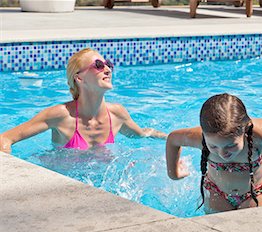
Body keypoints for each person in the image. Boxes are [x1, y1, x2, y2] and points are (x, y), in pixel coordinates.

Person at [0, 48, 166, 153]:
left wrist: (172, 138)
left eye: (108, 65)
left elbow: (142, 134)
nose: (107, 69)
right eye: (99, 65)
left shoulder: (117, 114)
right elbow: (5, 138)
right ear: (79, 78)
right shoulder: (61, 115)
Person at [166, 93, 262, 213]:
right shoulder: (200, 138)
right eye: (213, 146)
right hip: (216, 192)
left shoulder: (260, 135)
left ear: (244, 130)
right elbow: (173, 139)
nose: (222, 153)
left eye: (231, 145)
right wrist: (174, 173)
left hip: (255, 191)